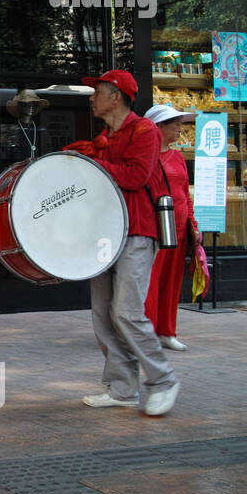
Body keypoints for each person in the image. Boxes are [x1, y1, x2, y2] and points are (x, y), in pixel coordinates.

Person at [64, 70, 179, 417]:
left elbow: (134, 176)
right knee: (103, 315)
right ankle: (122, 389)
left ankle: (163, 380)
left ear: (116, 96)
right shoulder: (104, 136)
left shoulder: (145, 130)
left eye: (97, 92)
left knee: (126, 312)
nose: (92, 98)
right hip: (105, 232)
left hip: (138, 230)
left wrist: (93, 164)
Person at [143, 104, 204, 351]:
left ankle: (166, 332)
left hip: (178, 229)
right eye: (175, 124)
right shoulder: (145, 156)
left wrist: (193, 224)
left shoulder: (178, 157)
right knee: (150, 281)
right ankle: (146, 332)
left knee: (172, 281)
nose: (180, 129)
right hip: (153, 228)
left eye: (180, 123)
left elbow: (184, 194)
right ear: (159, 127)